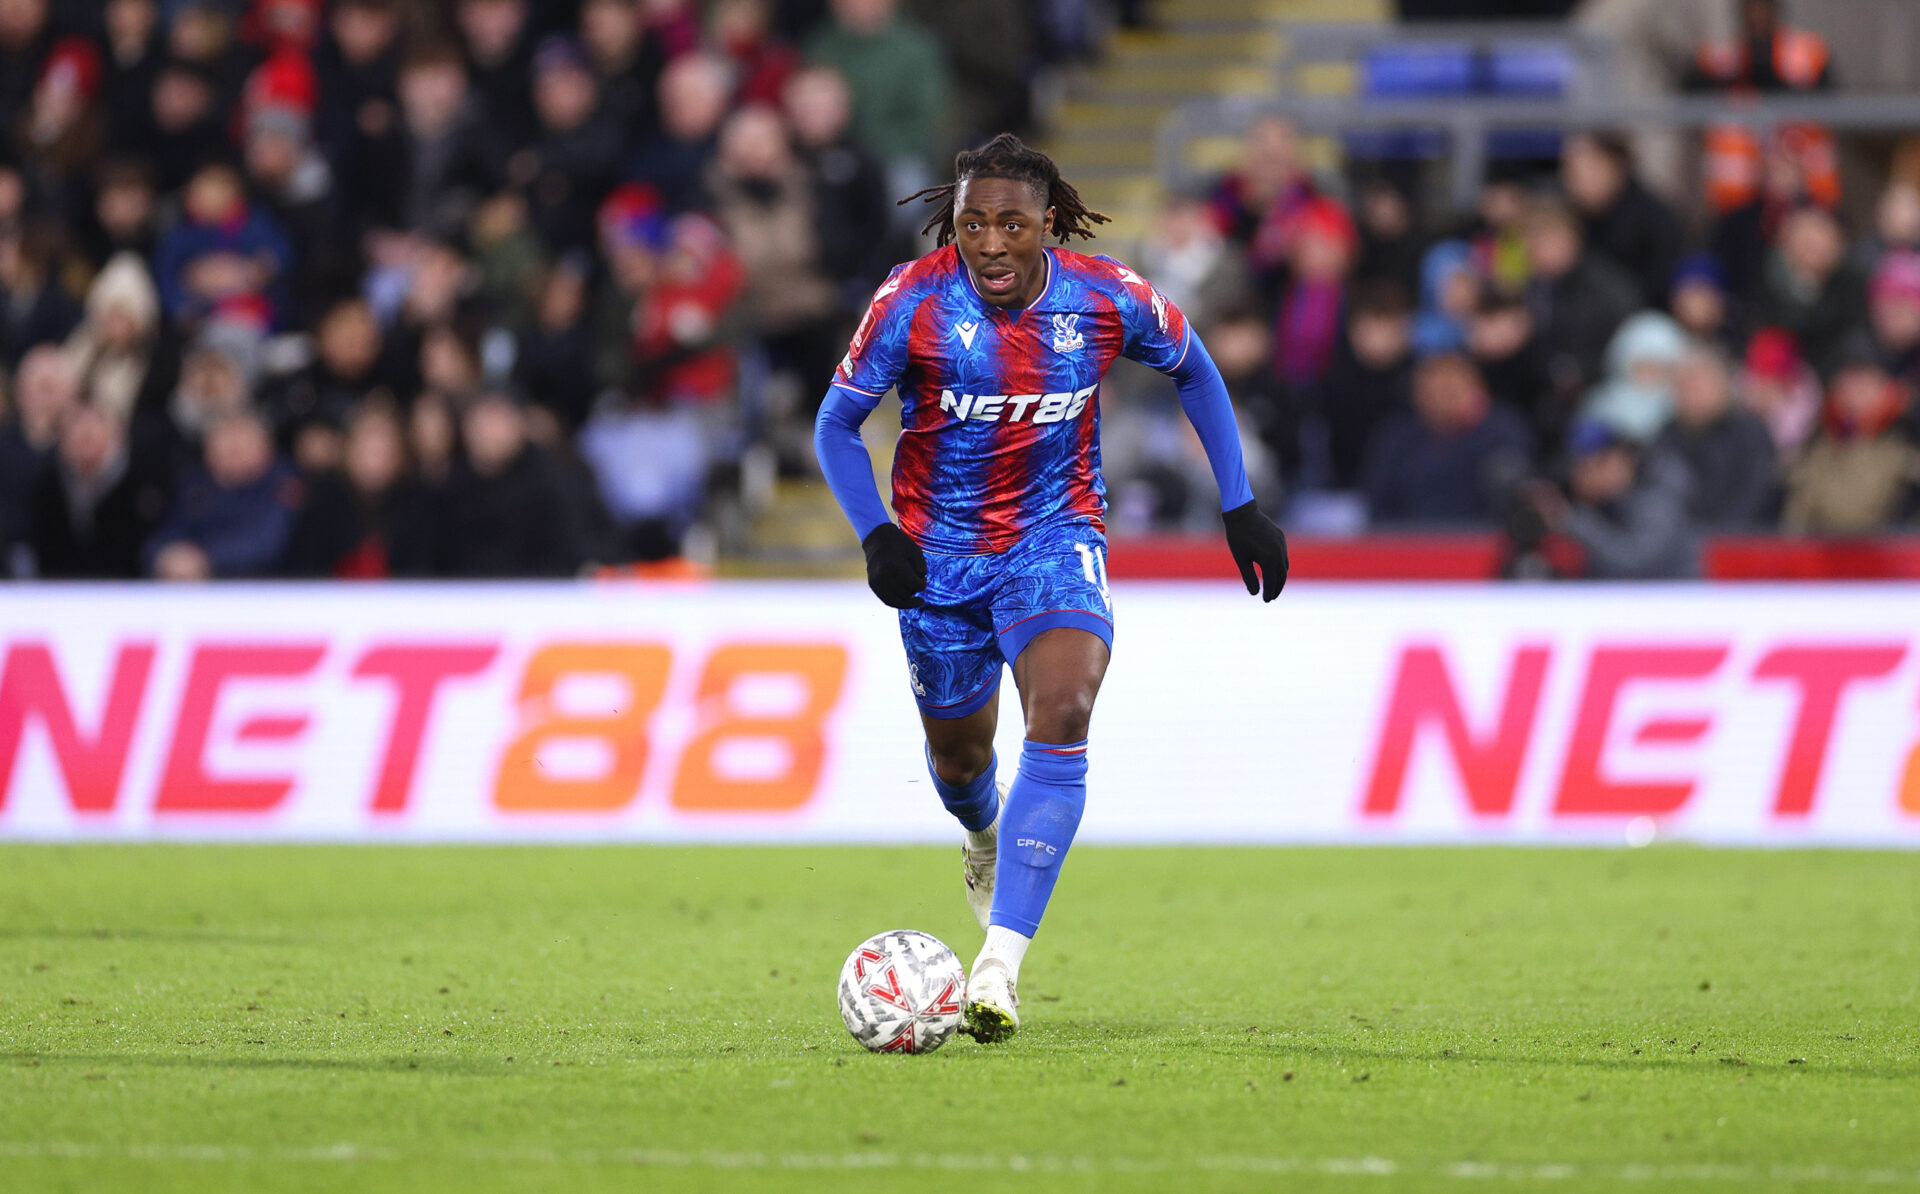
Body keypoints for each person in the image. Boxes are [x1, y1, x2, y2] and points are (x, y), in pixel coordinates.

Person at [812, 134, 1288, 1042]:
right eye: (972, 224)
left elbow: (1195, 369)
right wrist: (877, 534)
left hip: (1052, 538)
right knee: (958, 761)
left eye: (1011, 224)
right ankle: (984, 833)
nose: (989, 243)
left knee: (1064, 708)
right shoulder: (910, 300)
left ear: (1047, 226)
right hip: (936, 561)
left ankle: (998, 965)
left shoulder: (1105, 296)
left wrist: (1240, 505)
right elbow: (838, 426)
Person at [1360, 351, 1531, 528]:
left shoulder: (1501, 432)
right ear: (1417, 396)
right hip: (1411, 542)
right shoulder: (1396, 437)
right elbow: (1379, 506)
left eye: (1451, 392)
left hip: (1482, 538)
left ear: (1477, 391)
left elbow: (1515, 498)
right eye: (1434, 393)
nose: (1443, 402)